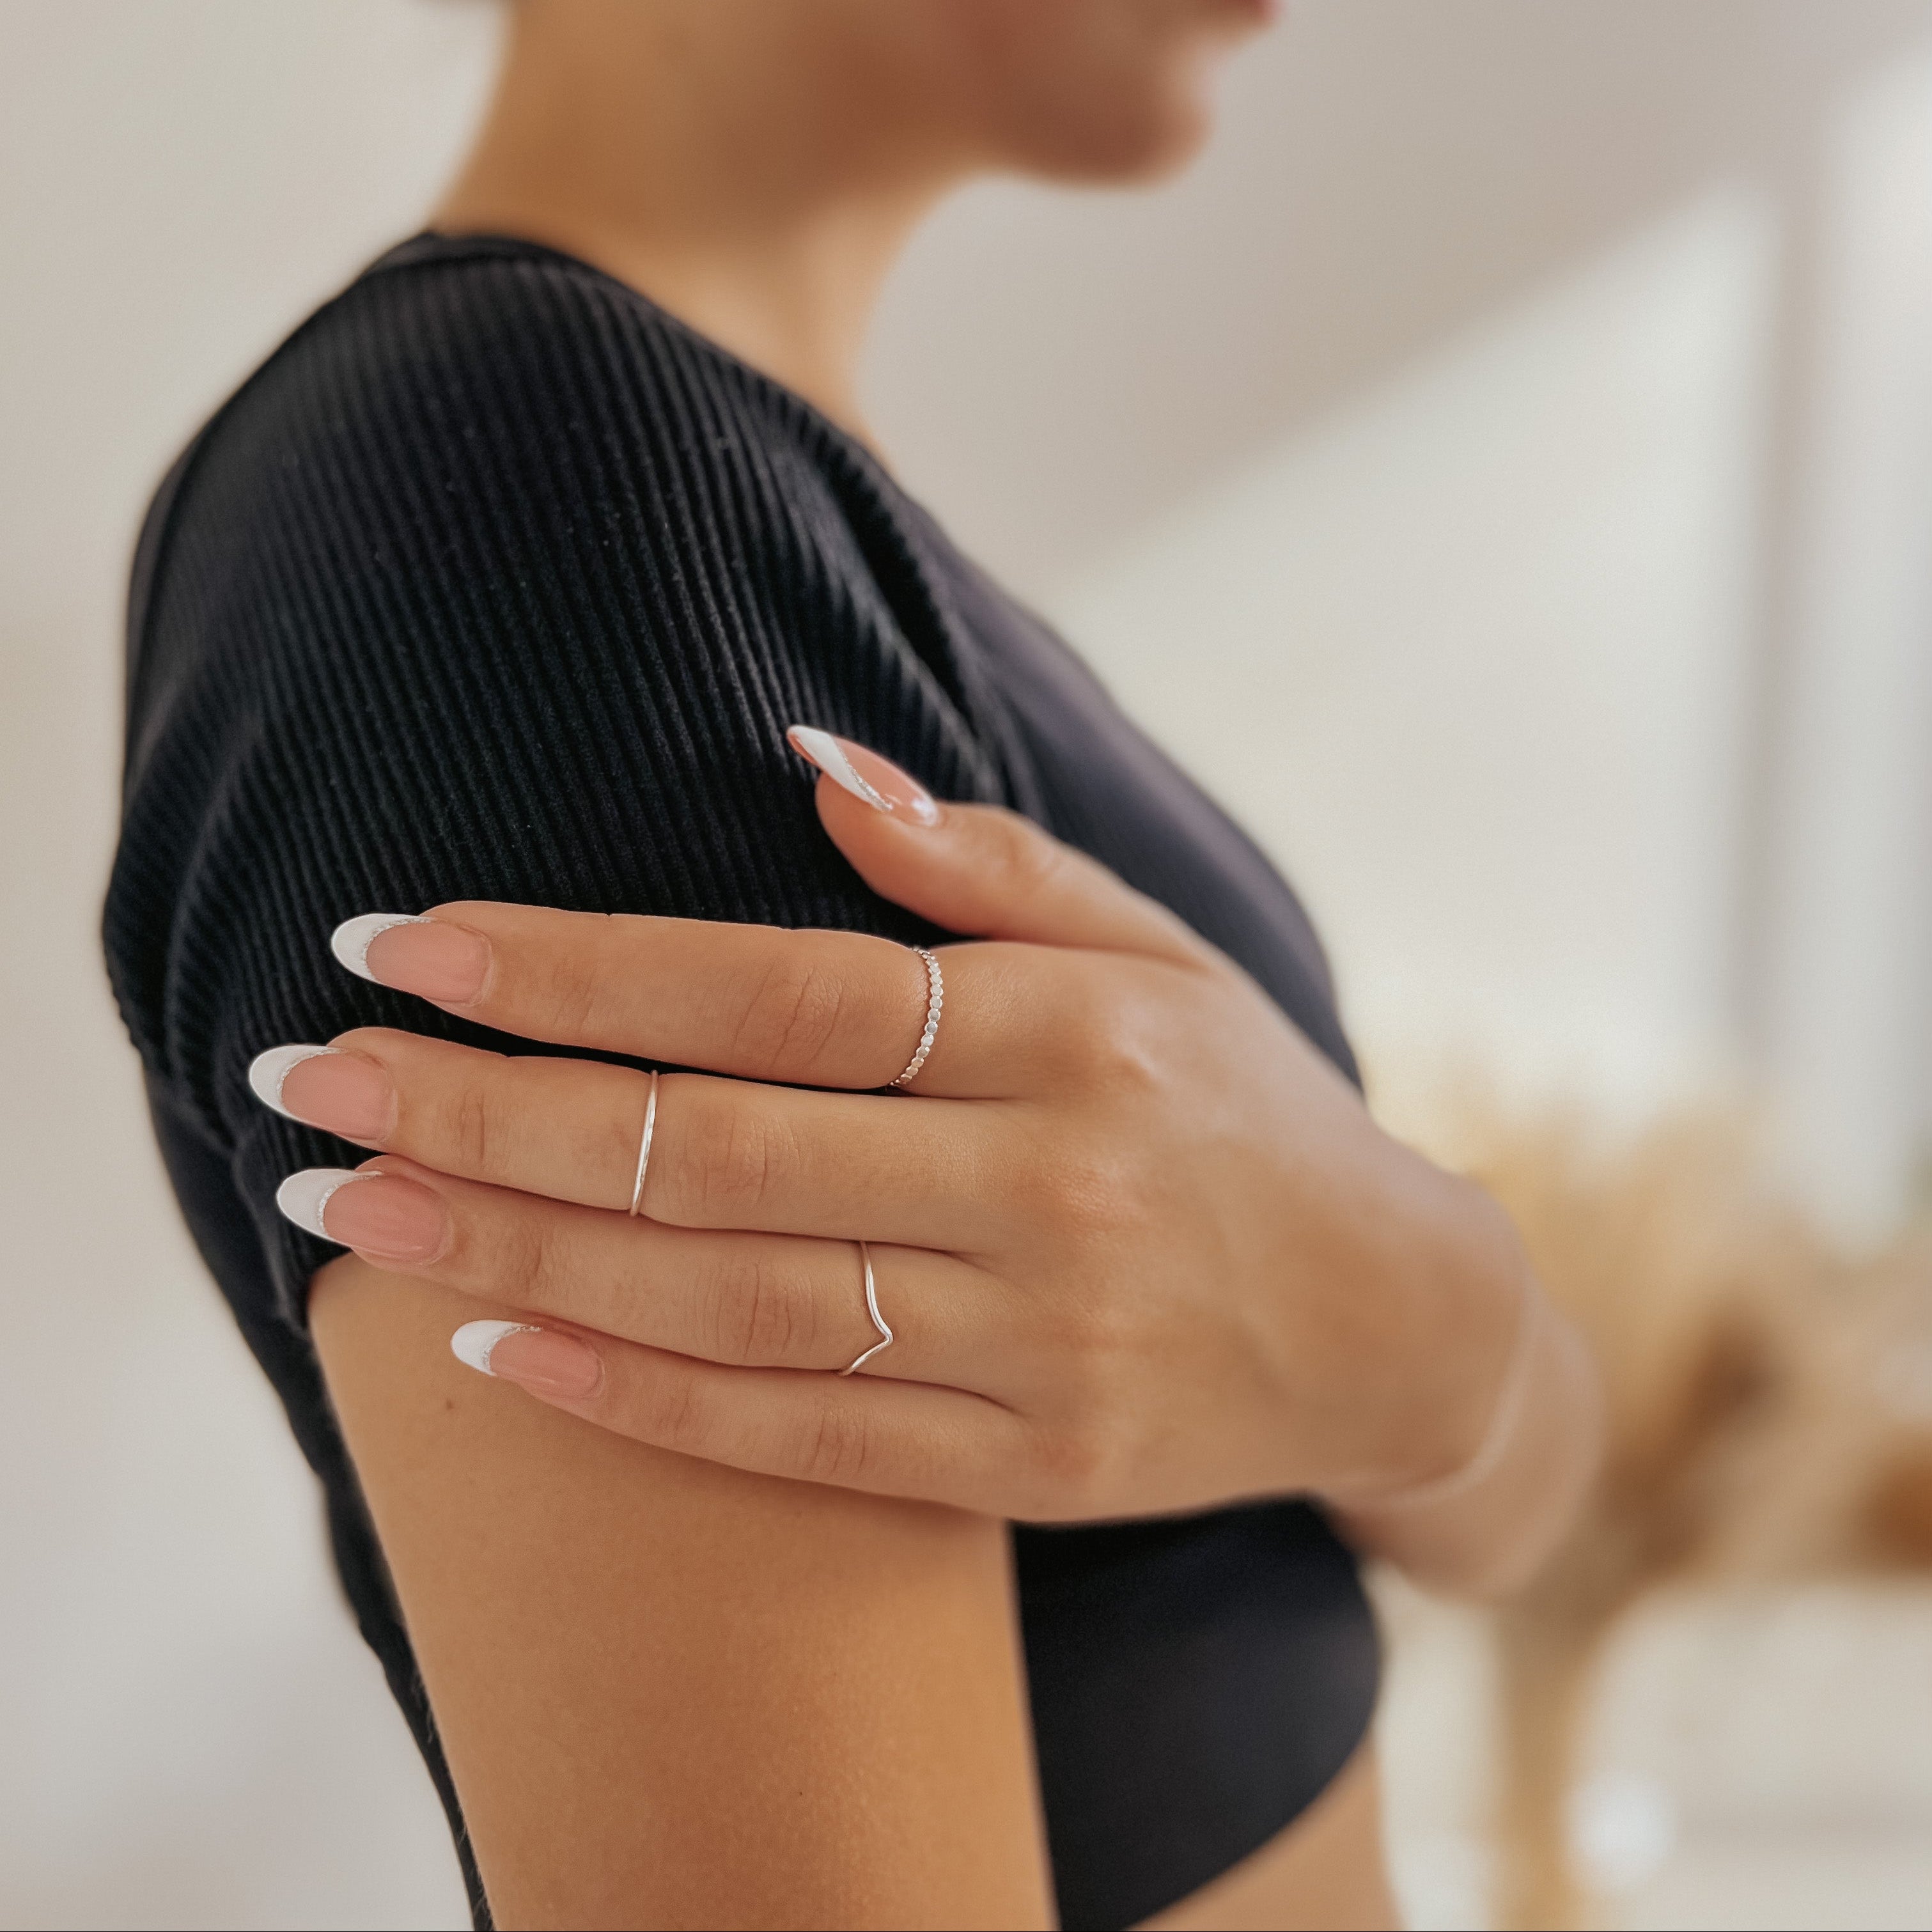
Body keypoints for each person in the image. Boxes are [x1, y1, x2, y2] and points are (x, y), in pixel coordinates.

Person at [103, 3, 1602, 1926]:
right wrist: (1449, 1346)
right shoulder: (543, 502)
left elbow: (1528, 1487)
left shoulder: (746, 500)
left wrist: (1434, 1320)